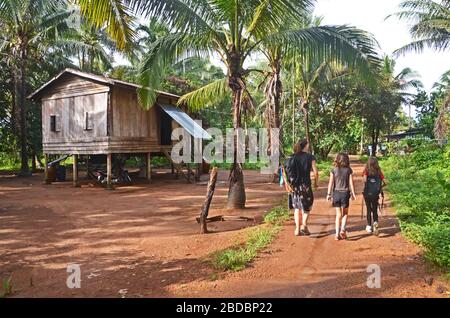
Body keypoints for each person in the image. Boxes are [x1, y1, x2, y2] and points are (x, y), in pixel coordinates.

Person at [285, 139, 319, 236]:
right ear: (306, 146)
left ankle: (297, 229)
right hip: (306, 185)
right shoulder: (310, 157)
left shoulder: (292, 157)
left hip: (295, 186)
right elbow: (315, 172)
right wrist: (315, 183)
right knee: (307, 206)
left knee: (297, 207)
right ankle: (304, 225)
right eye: (308, 145)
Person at [326, 153, 357, 241]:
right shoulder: (348, 170)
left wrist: (328, 194)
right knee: (345, 213)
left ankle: (336, 234)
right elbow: (351, 183)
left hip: (336, 193)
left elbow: (330, 183)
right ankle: (343, 229)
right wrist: (353, 193)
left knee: (338, 215)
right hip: (345, 194)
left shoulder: (333, 169)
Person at [362, 156, 387, 236]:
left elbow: (365, 181)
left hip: (367, 193)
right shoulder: (379, 171)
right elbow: (385, 182)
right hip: (375, 194)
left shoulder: (366, 170)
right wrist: (379, 188)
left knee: (369, 209)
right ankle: (375, 222)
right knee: (375, 209)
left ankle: (369, 226)